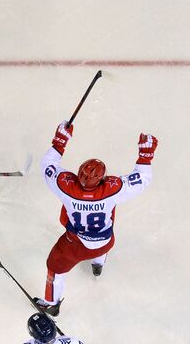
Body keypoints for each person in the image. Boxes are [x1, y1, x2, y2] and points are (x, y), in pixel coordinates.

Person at [35, 121, 158, 316]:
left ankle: (51, 303)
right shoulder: (113, 189)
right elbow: (142, 179)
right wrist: (145, 156)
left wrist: (60, 142)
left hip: (74, 244)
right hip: (105, 242)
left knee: (54, 268)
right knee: (104, 235)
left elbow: (47, 166)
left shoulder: (65, 186)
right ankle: (98, 265)